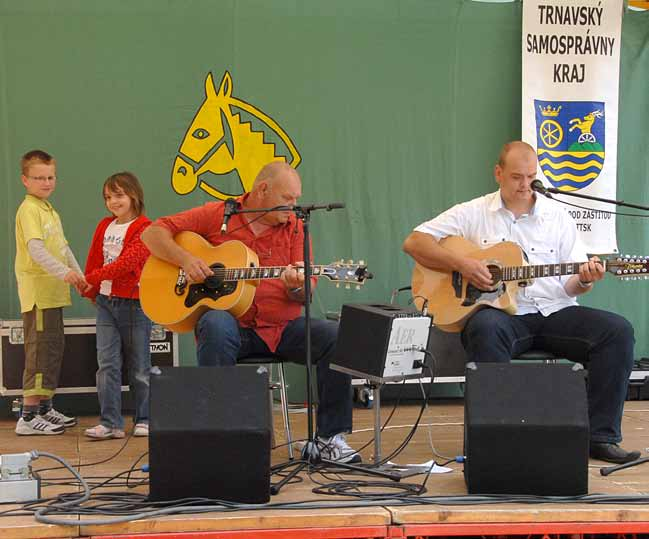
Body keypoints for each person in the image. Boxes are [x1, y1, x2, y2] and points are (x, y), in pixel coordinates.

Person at [403, 141, 639, 465]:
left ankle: (600, 437)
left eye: (531, 177)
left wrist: (585, 278)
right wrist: (463, 265)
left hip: (554, 312)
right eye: (516, 177)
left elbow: (570, 285)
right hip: (503, 316)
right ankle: (496, 440)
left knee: (617, 331)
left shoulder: (557, 216)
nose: (525, 185)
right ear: (498, 173)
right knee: (484, 328)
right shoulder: (473, 212)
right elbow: (415, 242)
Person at [141, 161, 359, 463]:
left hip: (281, 329)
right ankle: (219, 438)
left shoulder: (296, 227)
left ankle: (328, 439)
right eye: (288, 199)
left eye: (297, 198)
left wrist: (295, 285)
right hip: (233, 330)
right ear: (262, 190)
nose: (294, 206)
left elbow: (304, 293)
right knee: (215, 322)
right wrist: (186, 261)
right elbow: (153, 234)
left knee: (336, 336)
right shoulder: (219, 215)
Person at [14, 150, 85, 435]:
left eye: (50, 177)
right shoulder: (28, 209)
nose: (46, 182)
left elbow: (63, 248)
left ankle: (45, 407)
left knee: (52, 352)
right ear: (25, 180)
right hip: (39, 294)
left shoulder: (49, 210)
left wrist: (78, 276)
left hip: (55, 294)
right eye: (39, 178)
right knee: (39, 354)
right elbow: (36, 249)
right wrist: (63, 273)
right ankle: (28, 417)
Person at [82, 172, 152, 440]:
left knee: (139, 366)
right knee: (107, 363)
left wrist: (91, 278)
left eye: (119, 195)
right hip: (106, 304)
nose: (113, 201)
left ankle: (144, 418)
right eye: (108, 197)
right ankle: (110, 422)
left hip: (134, 304)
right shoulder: (104, 225)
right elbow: (94, 259)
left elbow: (127, 264)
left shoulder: (145, 227)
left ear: (133, 195)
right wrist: (91, 289)